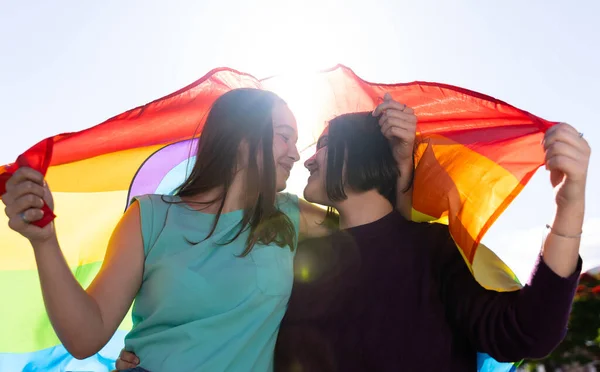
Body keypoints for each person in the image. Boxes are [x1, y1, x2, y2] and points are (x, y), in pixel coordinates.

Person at [1, 89, 415, 372]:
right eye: (284, 137)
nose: (295, 152)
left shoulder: (291, 216)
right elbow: (86, 334)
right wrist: (44, 241)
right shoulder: (149, 217)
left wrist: (399, 164)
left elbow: (385, 237)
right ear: (242, 138)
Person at [271, 111, 590, 371]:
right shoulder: (295, 258)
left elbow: (527, 334)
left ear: (363, 150)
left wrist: (570, 205)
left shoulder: (432, 250)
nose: (307, 160)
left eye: (324, 144)